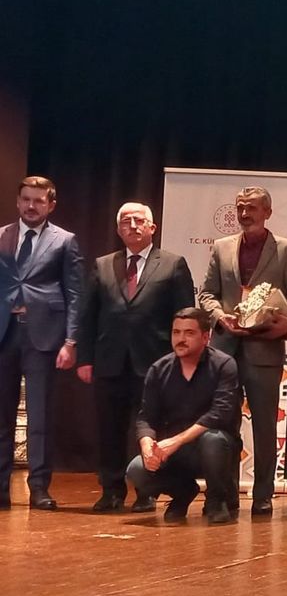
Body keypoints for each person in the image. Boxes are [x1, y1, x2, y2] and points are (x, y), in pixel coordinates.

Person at [198, 185, 287, 516]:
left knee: (264, 427)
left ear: (268, 212)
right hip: (225, 350)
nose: (245, 214)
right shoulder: (221, 247)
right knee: (223, 425)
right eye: (240, 208)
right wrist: (220, 317)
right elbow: (207, 294)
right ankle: (226, 494)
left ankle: (263, 494)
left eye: (251, 208)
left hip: (265, 349)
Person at [77, 202, 195, 514]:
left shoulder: (173, 264)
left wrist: (181, 360)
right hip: (109, 362)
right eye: (126, 221)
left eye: (139, 220)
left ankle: (148, 491)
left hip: (156, 364)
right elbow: (88, 316)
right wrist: (85, 359)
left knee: (151, 431)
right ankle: (111, 491)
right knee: (109, 430)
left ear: (152, 228)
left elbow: (185, 317)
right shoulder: (102, 265)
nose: (133, 226)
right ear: (118, 230)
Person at [0, 175, 83, 510]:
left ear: (51, 204)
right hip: (4, 334)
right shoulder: (2, 236)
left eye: (38, 201)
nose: (31, 206)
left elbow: (75, 294)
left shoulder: (65, 241)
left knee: (40, 417)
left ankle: (38, 488)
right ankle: (1, 489)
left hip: (44, 337)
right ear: (18, 201)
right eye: (26, 200)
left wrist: (71, 340)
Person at [126, 308, 241, 524]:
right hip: (174, 450)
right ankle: (183, 492)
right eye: (176, 332)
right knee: (136, 470)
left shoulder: (224, 365)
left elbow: (220, 414)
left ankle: (217, 500)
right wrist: (147, 444)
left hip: (214, 447)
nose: (181, 339)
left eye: (189, 333)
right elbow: (146, 417)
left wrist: (177, 441)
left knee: (213, 441)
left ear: (205, 337)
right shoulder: (158, 369)